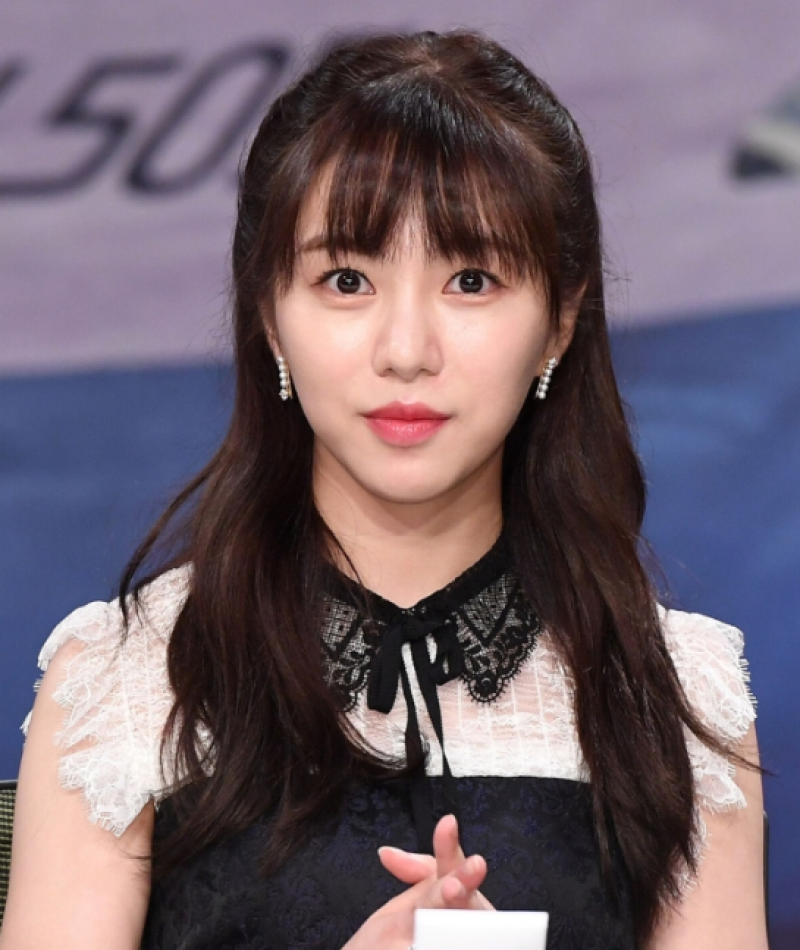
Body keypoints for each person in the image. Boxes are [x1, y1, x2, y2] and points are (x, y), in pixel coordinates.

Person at [0, 29, 767, 950]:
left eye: (471, 280)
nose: (406, 350)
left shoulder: (674, 699)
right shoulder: (125, 681)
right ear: (269, 314)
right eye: (347, 279)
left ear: (561, 321)